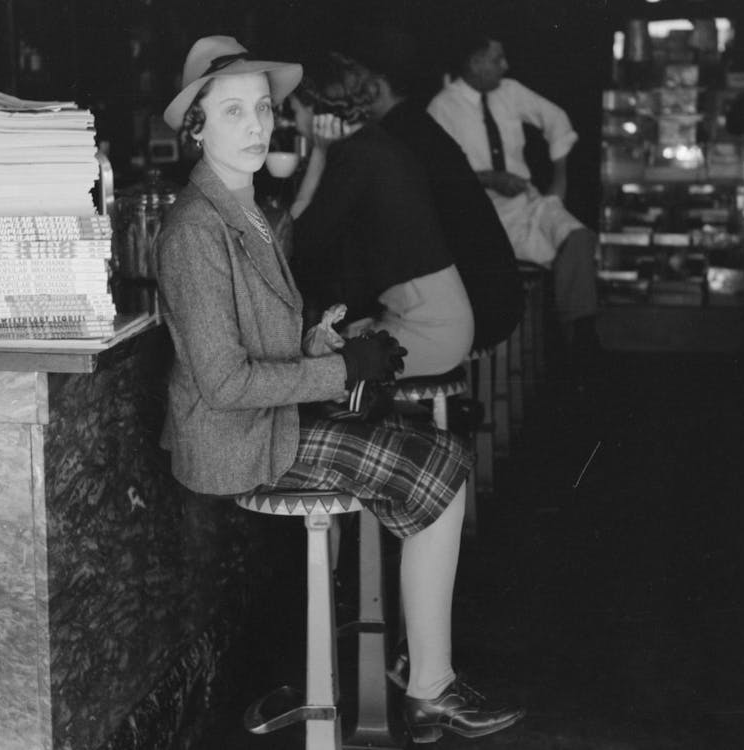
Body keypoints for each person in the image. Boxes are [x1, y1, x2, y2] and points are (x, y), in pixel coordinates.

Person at [156, 35, 524, 743]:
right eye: (233, 111)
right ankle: (427, 688)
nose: (258, 124)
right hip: (241, 441)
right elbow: (226, 382)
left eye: (263, 107)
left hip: (271, 422)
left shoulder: (250, 210)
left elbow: (257, 344)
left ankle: (421, 676)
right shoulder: (194, 229)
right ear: (196, 128)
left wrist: (319, 339)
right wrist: (341, 370)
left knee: (434, 457)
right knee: (441, 467)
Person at [287, 54, 475, 379]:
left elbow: (299, 239)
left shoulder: (356, 157)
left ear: (317, 112)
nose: (291, 121)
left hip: (429, 331)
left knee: (307, 372)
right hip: (428, 321)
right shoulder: (373, 145)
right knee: (316, 352)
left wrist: (318, 152)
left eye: (294, 111)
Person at [427, 32, 603, 376]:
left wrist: (559, 180)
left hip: (527, 204)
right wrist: (489, 178)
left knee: (578, 238)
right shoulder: (441, 107)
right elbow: (438, 174)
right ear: (475, 62)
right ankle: (567, 349)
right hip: (479, 212)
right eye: (497, 59)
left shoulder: (510, 92)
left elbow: (557, 120)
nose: (505, 66)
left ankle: (580, 337)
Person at [338, 33, 524, 352]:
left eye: (352, 76)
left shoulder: (390, 140)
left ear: (375, 87)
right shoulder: (417, 127)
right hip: (496, 298)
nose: (342, 89)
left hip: (472, 309)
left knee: (336, 336)